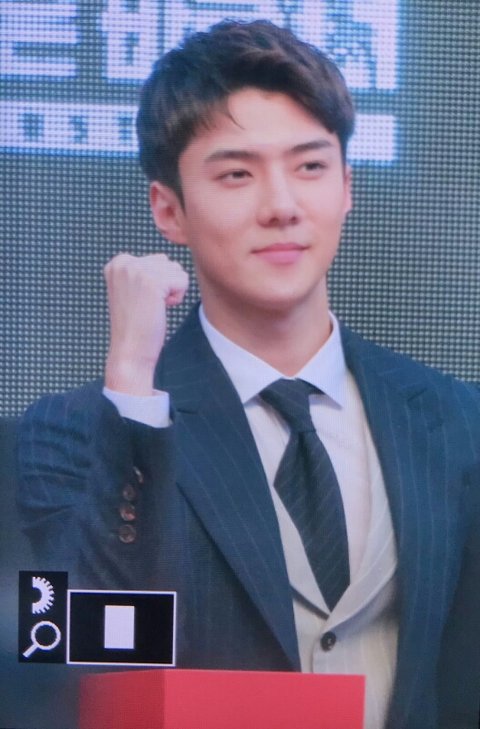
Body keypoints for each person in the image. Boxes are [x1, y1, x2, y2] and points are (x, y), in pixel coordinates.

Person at [17, 19, 480, 729]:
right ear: (168, 209)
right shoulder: (75, 432)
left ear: (347, 187)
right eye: (237, 173)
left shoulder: (455, 419)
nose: (282, 206)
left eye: (310, 167)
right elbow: (86, 664)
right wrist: (133, 382)